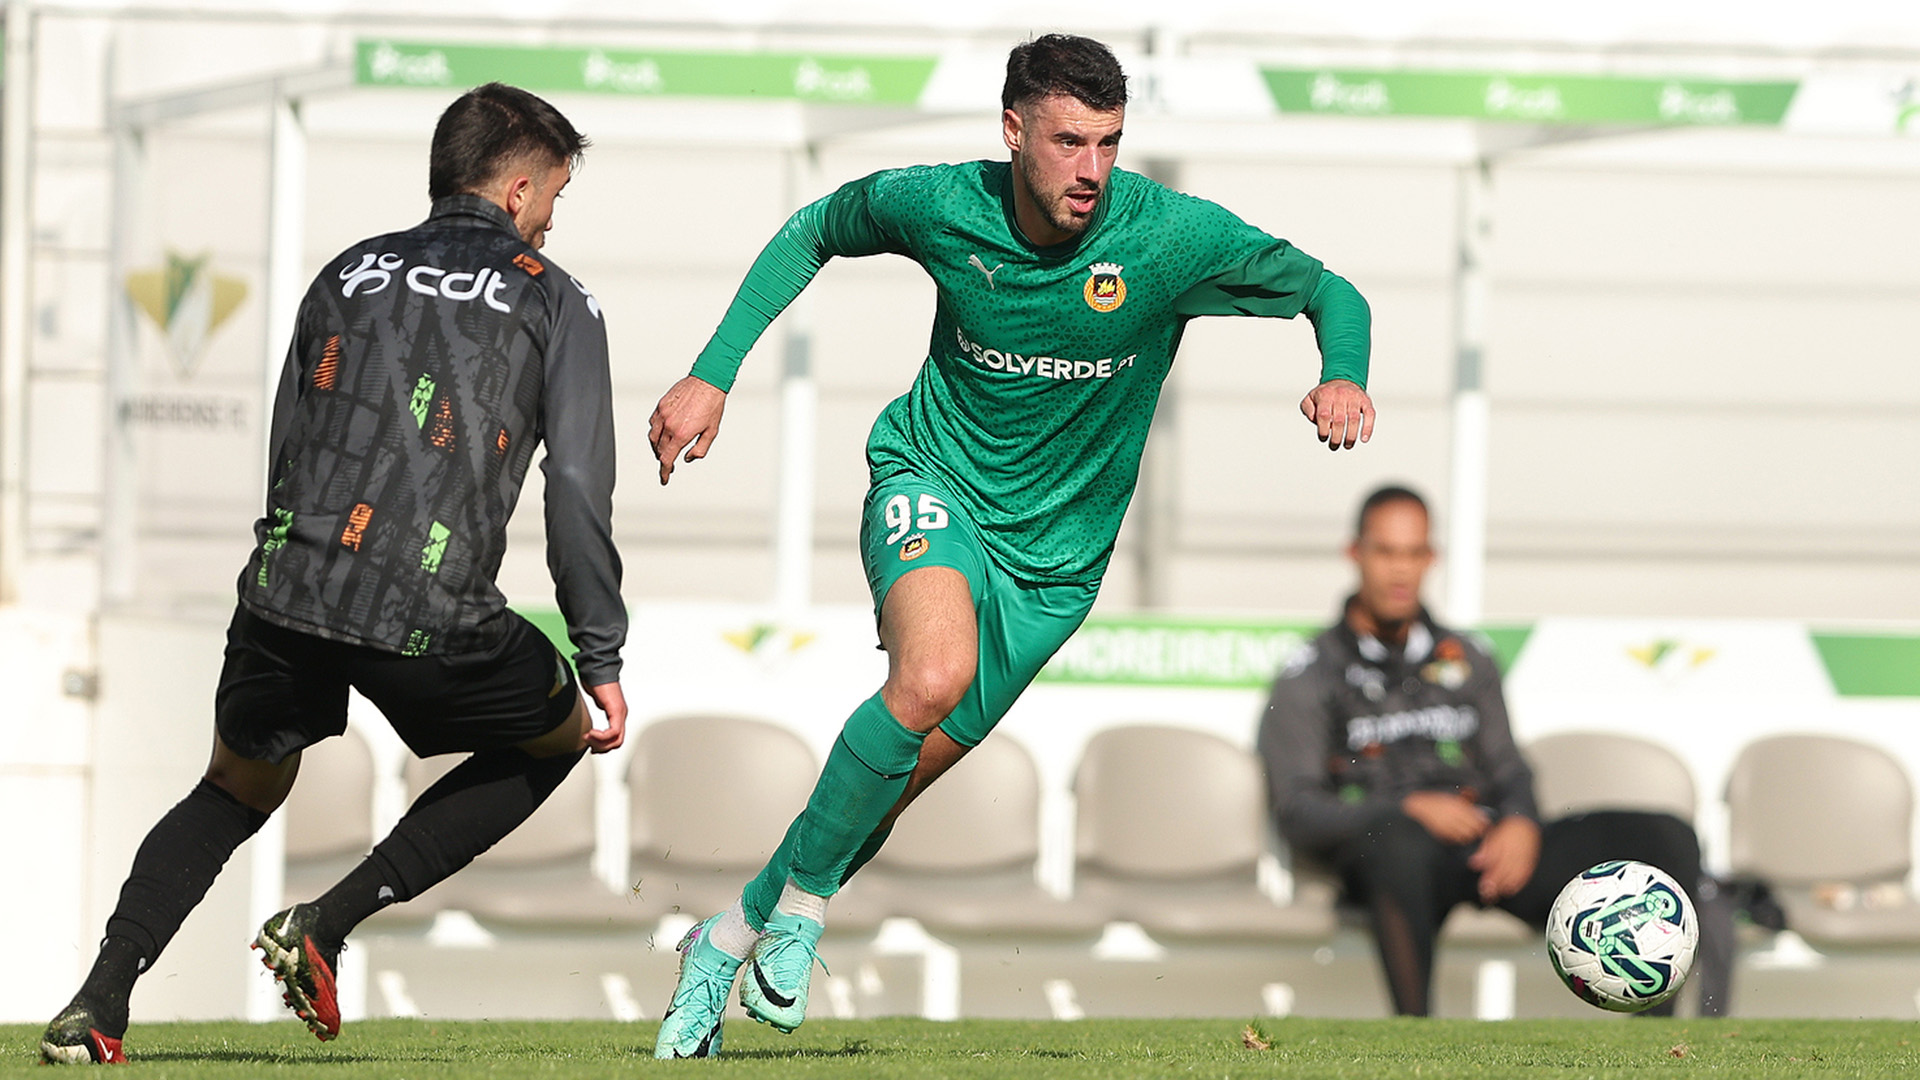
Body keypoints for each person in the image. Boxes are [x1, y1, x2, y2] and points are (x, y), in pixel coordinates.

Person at [646, 33, 1375, 1058]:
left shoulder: (1167, 239)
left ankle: (725, 937)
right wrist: (712, 372)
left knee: (884, 788)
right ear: (1014, 129)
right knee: (930, 673)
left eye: (1109, 143)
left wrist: (1343, 369)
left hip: (1054, 572)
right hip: (931, 482)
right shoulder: (943, 203)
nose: (1091, 170)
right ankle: (802, 915)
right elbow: (814, 227)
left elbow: (1331, 289)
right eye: (1070, 140)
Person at [40, 83, 627, 1065]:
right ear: (521, 190)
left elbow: (288, 447)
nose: (553, 223)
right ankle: (328, 922)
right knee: (560, 734)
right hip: (431, 609)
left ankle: (97, 1005)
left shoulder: (346, 272)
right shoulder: (554, 296)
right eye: (556, 200)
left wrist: (294, 564)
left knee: (233, 788)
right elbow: (574, 487)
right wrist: (599, 651)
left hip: (291, 583)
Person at [1257, 485, 1723, 1017]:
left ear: (1431, 558)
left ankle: (1652, 1039)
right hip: (1393, 858)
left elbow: (1510, 767)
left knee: (1663, 833)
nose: (1400, 570)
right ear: (1355, 554)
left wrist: (1521, 822)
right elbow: (1298, 809)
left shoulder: (1469, 657)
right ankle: (1416, 1039)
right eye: (1385, 551)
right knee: (1397, 844)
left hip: (1487, 850)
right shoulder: (1311, 672)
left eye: (1414, 553)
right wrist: (1405, 809)